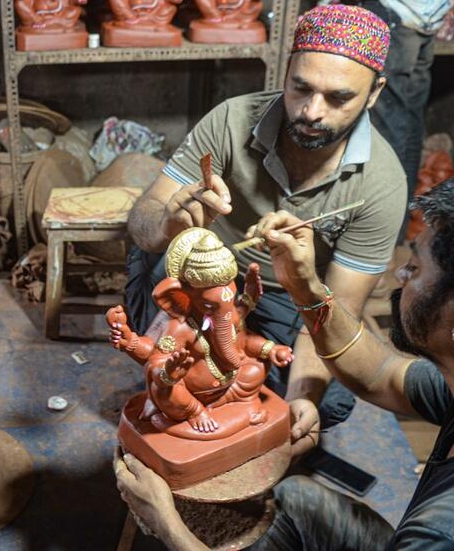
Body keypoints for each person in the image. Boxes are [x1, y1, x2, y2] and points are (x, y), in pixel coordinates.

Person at [115, 177, 454, 550]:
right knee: (294, 495)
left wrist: (166, 523)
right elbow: (381, 374)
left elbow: (239, 345)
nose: (400, 273)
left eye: (416, 268)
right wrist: (303, 282)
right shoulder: (449, 383)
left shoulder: (438, 532)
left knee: (262, 380)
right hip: (195, 397)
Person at [125, 4, 407, 445]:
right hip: (199, 279)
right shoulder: (231, 121)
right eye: (301, 88)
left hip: (288, 296)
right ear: (285, 71)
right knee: (169, 347)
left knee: (323, 402)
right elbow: (140, 226)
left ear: (373, 93)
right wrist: (168, 224)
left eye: (338, 98)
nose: (312, 111)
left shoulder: (382, 184)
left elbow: (335, 309)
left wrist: (302, 396)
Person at [356, 0, 454, 239]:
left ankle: (384, 235)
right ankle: (387, 232)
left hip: (409, 14)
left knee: (398, 126)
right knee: (400, 124)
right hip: (410, 13)